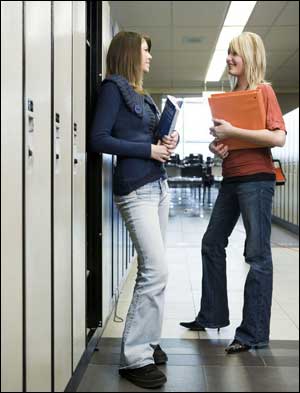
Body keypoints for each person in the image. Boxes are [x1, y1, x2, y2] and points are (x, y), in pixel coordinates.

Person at [180, 32, 286, 354]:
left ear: (250, 57)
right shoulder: (229, 96)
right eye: (227, 53)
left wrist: (233, 131)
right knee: (211, 243)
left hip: (257, 181)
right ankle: (211, 314)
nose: (228, 59)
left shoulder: (262, 91)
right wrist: (219, 146)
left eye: (234, 54)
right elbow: (233, 143)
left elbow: (278, 138)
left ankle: (253, 333)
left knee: (256, 255)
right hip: (231, 177)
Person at [89, 31, 179, 389]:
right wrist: (148, 150)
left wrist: (163, 140)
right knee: (155, 270)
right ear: (130, 52)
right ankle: (134, 357)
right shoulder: (113, 89)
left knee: (156, 269)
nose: (150, 57)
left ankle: (149, 340)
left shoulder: (140, 93)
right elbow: (98, 138)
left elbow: (145, 138)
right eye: (146, 50)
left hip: (157, 186)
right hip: (136, 190)